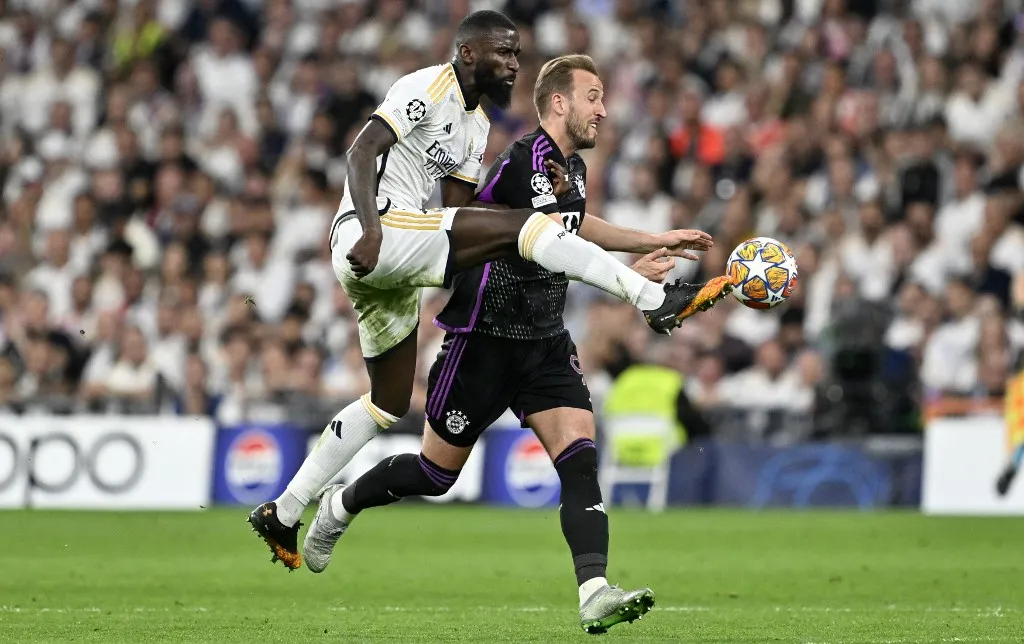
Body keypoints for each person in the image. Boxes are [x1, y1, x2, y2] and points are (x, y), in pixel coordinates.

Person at [248, 11, 733, 570]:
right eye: (504, 53)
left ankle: (284, 512)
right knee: (529, 229)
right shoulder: (425, 86)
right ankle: (655, 301)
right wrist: (377, 228)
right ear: (469, 52)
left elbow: (459, 213)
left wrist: (530, 234)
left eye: (518, 54)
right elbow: (360, 154)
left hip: (402, 261)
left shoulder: (478, 126)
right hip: (371, 233)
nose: (513, 65)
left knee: (386, 403)